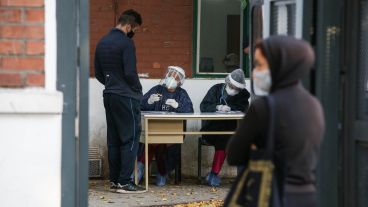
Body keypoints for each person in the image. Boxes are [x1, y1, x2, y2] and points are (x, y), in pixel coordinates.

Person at [227, 36, 325, 207]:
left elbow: (234, 155)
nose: (255, 71)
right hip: (307, 196)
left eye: (259, 65)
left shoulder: (263, 107)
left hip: (271, 195)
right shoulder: (314, 105)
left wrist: (256, 147)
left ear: (279, 65)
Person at [94, 9, 145, 193]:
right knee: (130, 138)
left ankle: (115, 181)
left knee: (114, 140)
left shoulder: (102, 42)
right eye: (135, 29)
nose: (134, 33)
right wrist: (137, 90)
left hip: (109, 95)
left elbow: (98, 73)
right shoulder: (126, 43)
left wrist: (112, 83)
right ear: (129, 25)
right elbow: (130, 72)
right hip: (126, 97)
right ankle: (125, 182)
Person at [137, 66, 194, 186]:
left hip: (173, 133)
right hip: (154, 130)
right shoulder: (157, 89)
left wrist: (177, 105)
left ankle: (141, 170)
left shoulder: (181, 93)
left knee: (156, 143)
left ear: (180, 81)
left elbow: (190, 110)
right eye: (170, 75)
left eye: (175, 77)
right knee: (155, 142)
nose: (171, 78)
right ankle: (161, 174)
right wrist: (149, 101)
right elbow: (140, 105)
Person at [200, 68, 250, 187]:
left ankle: (219, 175)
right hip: (213, 128)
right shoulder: (216, 89)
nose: (233, 90)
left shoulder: (243, 94)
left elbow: (244, 109)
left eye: (236, 88)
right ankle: (214, 174)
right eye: (231, 86)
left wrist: (232, 108)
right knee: (225, 138)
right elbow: (204, 106)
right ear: (227, 82)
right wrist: (218, 107)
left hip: (234, 128)